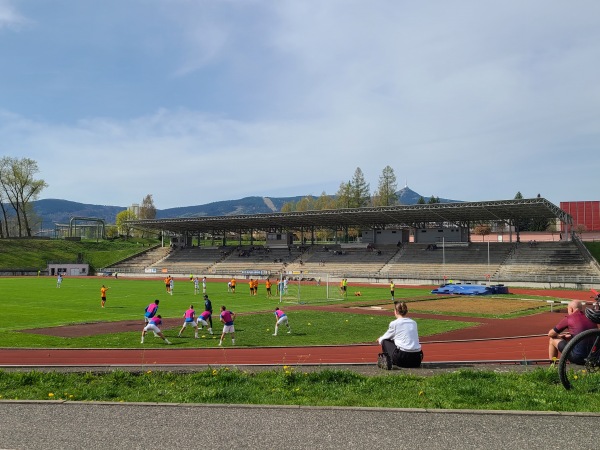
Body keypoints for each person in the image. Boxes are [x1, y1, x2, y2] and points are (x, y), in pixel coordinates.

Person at [377, 301, 423, 370]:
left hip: (402, 359)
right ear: (406, 311)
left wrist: (379, 339)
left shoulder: (394, 323)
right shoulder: (414, 323)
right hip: (417, 359)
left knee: (384, 341)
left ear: (396, 311)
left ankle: (386, 360)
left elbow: (386, 337)